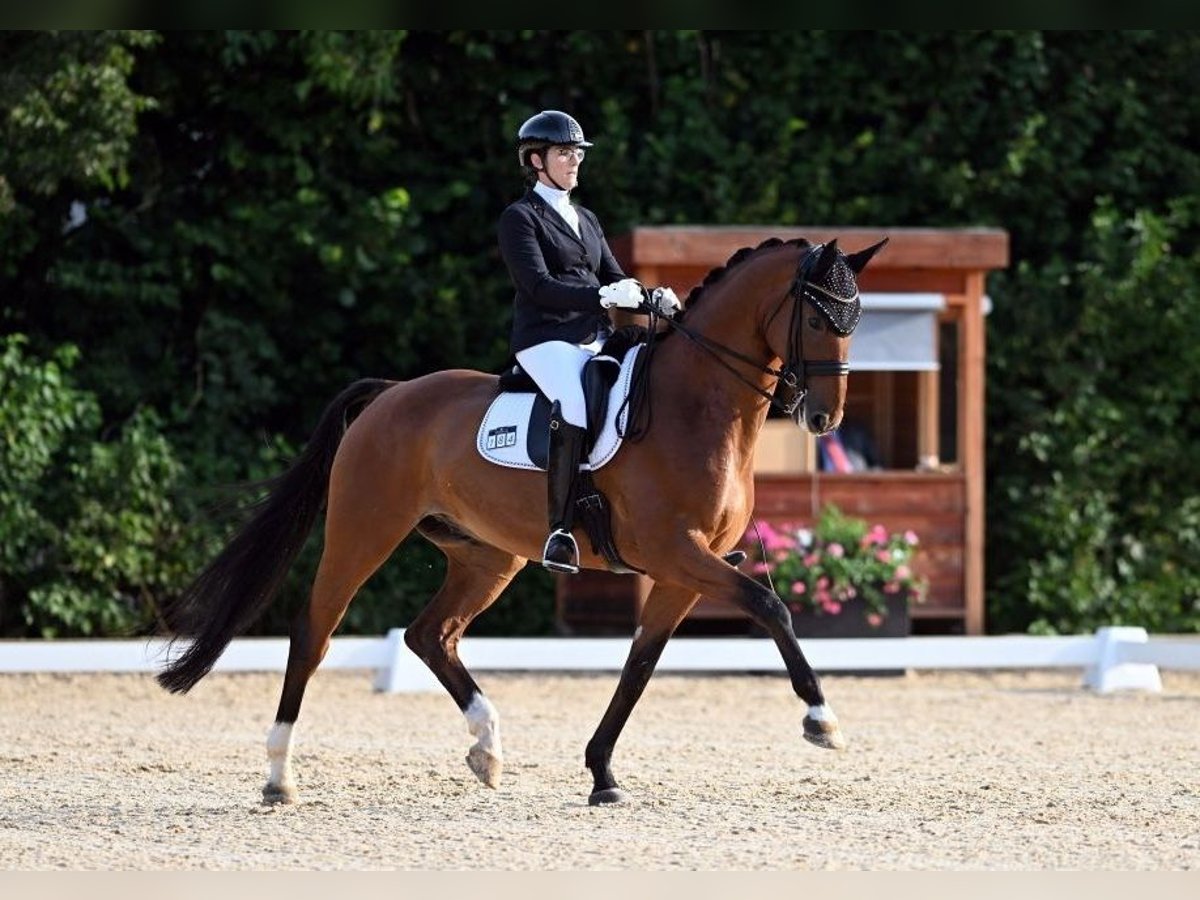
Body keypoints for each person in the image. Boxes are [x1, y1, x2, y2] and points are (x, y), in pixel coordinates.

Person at [498, 109, 681, 574]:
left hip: (593, 339)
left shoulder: (585, 217)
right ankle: (559, 531)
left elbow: (616, 278)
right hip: (546, 340)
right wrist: (599, 294)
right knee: (574, 405)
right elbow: (537, 286)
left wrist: (652, 297)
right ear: (536, 161)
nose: (574, 160)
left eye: (577, 152)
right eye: (564, 153)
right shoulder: (520, 218)